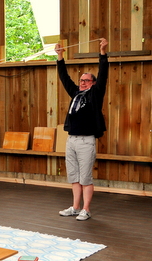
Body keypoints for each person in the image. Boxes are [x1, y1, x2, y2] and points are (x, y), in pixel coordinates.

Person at [55, 38, 109, 221]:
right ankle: (75, 207)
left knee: (85, 177)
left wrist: (102, 53)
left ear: (93, 83)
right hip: (72, 140)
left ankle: (86, 209)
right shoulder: (75, 93)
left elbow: (103, 74)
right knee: (74, 177)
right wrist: (60, 56)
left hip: (86, 140)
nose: (83, 82)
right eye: (81, 80)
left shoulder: (95, 93)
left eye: (87, 80)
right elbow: (64, 77)